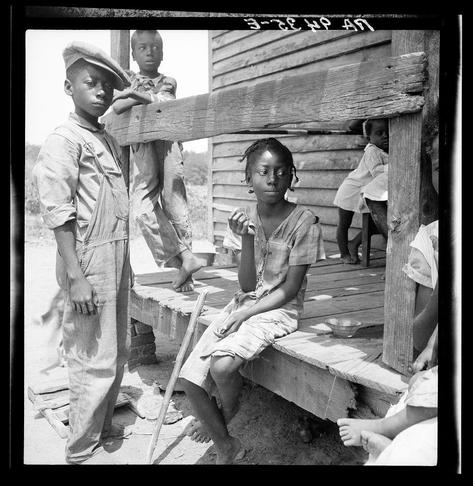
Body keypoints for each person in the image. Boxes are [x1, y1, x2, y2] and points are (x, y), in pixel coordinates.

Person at [178, 138, 325, 464]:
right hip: (243, 303)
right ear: (249, 178)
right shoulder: (244, 220)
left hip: (280, 310)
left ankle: (228, 411)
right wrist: (245, 238)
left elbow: (289, 289)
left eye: (282, 172)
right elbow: (245, 284)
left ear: (291, 177)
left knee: (222, 365)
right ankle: (226, 442)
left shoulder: (306, 223)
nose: (273, 179)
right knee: (189, 382)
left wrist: (245, 314)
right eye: (264, 171)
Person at [33, 41, 132, 464]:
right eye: (91, 83)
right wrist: (76, 277)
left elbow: (126, 99)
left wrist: (133, 93)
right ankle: (80, 447)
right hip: (88, 259)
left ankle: (102, 424)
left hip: (117, 256)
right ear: (68, 87)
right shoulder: (64, 139)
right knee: (90, 354)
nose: (101, 92)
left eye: (108, 86)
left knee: (116, 351)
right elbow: (57, 213)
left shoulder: (103, 136)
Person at [337, 218, 439, 465]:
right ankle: (386, 438)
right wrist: (430, 347)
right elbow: (422, 334)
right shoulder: (433, 237)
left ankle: (384, 434)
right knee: (422, 386)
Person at [112, 30, 201, 292]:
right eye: (142, 47)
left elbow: (165, 101)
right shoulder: (128, 78)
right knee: (142, 207)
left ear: (162, 53)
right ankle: (185, 259)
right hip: (143, 144)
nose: (149, 52)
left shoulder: (168, 80)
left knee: (175, 202)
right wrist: (131, 95)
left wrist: (134, 95)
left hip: (169, 144)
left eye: (155, 47)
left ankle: (187, 274)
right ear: (133, 53)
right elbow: (117, 108)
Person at [333, 118, 389, 263]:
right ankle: (344, 254)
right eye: (379, 133)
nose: (385, 136)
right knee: (344, 224)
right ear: (369, 137)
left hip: (364, 191)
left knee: (377, 222)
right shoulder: (372, 150)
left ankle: (354, 243)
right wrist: (395, 165)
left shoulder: (384, 151)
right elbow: (376, 171)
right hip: (350, 190)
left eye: (387, 132)